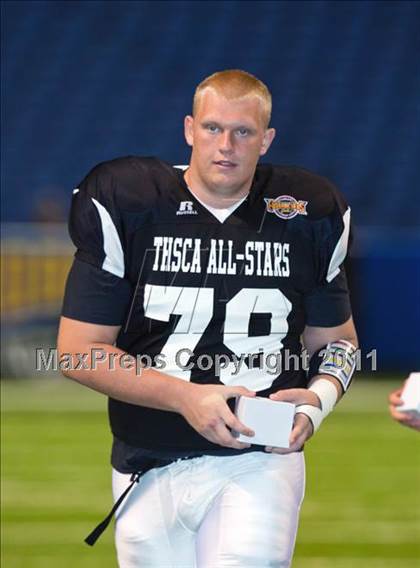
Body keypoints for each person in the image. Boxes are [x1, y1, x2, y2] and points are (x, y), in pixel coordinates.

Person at [58, 69, 358, 567]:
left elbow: (340, 344)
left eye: (243, 132)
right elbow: (76, 352)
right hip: (146, 458)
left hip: (260, 457)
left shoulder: (308, 212)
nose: (226, 145)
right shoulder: (127, 201)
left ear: (267, 139)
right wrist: (187, 398)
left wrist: (316, 401)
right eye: (213, 128)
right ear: (189, 129)